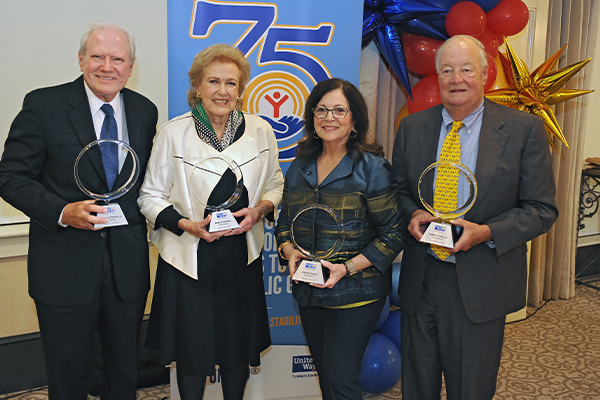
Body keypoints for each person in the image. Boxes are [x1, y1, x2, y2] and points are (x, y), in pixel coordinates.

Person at [392, 35, 558, 399]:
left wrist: (486, 231)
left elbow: (542, 209)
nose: (457, 78)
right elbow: (400, 192)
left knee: (471, 388)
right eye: (447, 70)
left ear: (484, 74)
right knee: (417, 385)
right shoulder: (412, 128)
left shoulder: (522, 130)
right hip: (422, 276)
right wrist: (413, 213)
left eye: (467, 69)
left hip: (481, 280)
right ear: (437, 77)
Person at [0, 20, 158, 399]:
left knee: (122, 375)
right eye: (98, 56)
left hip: (126, 268)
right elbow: (11, 176)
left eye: (117, 58)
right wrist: (61, 210)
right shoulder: (43, 105)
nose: (107, 67)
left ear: (131, 66)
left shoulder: (144, 111)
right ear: (81, 59)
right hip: (64, 268)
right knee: (68, 377)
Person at [137, 43, 284, 400]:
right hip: (189, 259)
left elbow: (276, 184)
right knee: (191, 355)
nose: (222, 91)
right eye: (213, 82)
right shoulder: (173, 132)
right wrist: (188, 225)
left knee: (236, 353)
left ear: (241, 89)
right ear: (198, 87)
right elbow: (149, 196)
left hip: (239, 257)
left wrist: (260, 210)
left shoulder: (261, 131)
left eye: (231, 83)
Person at [275, 78, 406, 400]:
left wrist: (345, 269)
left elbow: (394, 233)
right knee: (326, 375)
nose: (328, 117)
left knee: (341, 379)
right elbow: (284, 224)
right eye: (321, 109)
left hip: (356, 293)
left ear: (354, 120)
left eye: (338, 110)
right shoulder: (299, 166)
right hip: (309, 291)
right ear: (311, 117)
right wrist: (289, 250)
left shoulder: (373, 168)